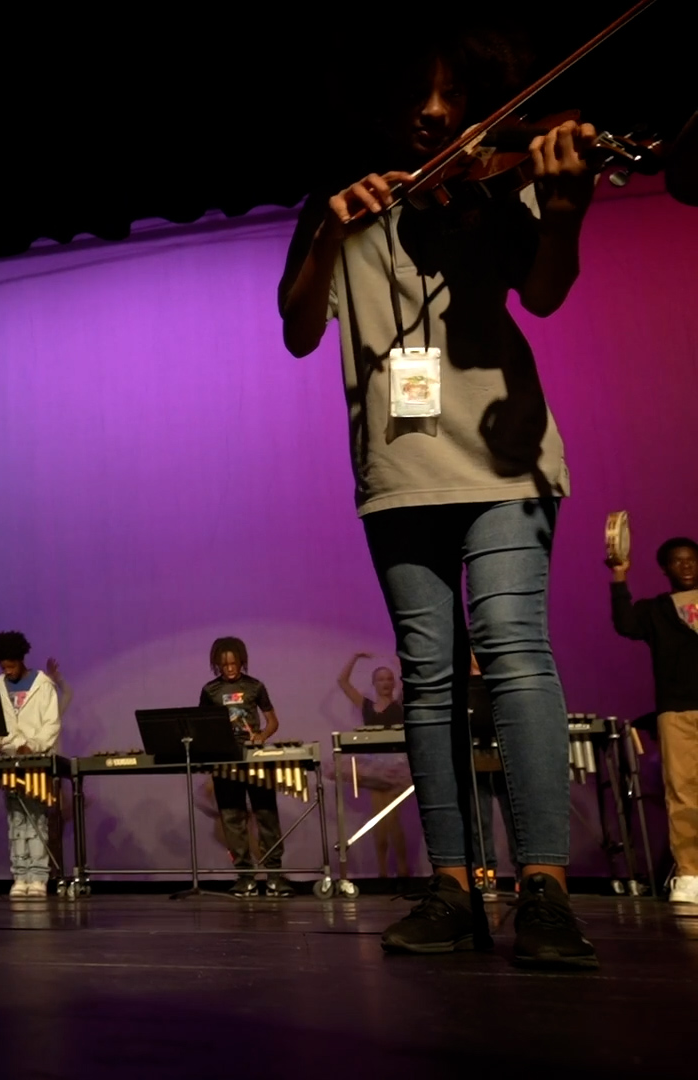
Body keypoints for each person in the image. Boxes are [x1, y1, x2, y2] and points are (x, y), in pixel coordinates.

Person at [279, 32, 600, 966]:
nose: (433, 112)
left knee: (514, 654)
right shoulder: (341, 208)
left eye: (453, 93)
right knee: (428, 679)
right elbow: (301, 331)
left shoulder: (501, 187)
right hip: (399, 474)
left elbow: (544, 292)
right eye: (418, 94)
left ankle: (543, 885)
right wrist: (333, 229)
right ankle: (453, 887)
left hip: (505, 462)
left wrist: (568, 206)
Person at [610, 535, 698, 907]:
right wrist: (619, 576)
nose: (687, 566)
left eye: (692, 560)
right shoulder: (657, 610)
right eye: (678, 561)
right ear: (665, 568)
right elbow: (625, 623)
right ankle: (691, 873)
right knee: (683, 792)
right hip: (677, 710)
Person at [198, 637, 290, 897]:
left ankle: (274, 875)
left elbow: (272, 721)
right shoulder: (210, 691)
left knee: (266, 815)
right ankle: (245, 876)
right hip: (226, 758)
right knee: (232, 818)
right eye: (224, 664)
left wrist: (262, 736)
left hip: (254, 757)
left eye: (234, 663)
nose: (229, 668)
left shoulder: (255, 686)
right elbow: (202, 724)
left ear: (241, 661)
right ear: (217, 664)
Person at [0, 632, 68, 898]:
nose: (7, 671)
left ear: (21, 660)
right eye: (3, 667)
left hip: (36, 762)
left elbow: (52, 724)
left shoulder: (43, 685)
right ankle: (19, 875)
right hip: (11, 761)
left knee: (36, 819)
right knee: (16, 819)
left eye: (11, 666)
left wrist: (31, 746)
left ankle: (38, 876)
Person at [334, 651, 412, 877]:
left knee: (393, 818)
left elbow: (410, 679)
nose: (386, 683)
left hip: (397, 766)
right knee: (379, 819)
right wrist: (355, 656)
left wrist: (399, 661)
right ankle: (382, 871)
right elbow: (342, 682)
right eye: (381, 679)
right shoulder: (366, 705)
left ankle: (403, 868)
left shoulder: (399, 704)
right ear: (374, 683)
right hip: (374, 766)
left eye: (389, 679)